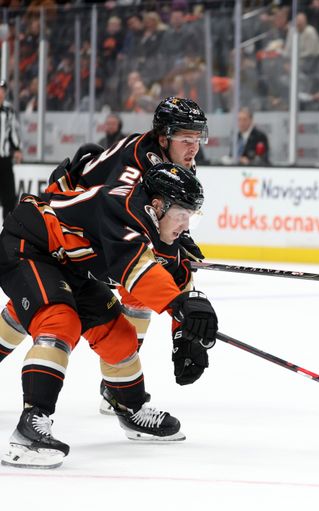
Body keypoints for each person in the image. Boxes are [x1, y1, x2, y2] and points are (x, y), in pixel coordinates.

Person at [0, 163, 219, 468]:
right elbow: (139, 273)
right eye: (183, 215)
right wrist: (179, 303)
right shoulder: (125, 209)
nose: (186, 225)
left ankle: (130, 408)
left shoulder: (155, 225)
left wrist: (187, 333)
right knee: (59, 320)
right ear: (158, 205)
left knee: (118, 333)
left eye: (191, 216)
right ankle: (30, 425)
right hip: (29, 243)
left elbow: (176, 279)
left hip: (67, 264)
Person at [0, 96, 209, 411]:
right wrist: (179, 302)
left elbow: (167, 213)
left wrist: (181, 239)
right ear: (164, 137)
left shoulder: (177, 163)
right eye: (186, 138)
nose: (194, 147)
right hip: (61, 221)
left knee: (41, 300)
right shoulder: (135, 168)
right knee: (60, 307)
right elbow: (119, 219)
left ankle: (120, 387)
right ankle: (113, 387)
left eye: (198, 138)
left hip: (84, 232)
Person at [0, 80, 22, 221]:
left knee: (9, 199)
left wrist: (17, 148)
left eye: (2, 90)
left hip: (4, 160)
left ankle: (7, 232)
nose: (0, 93)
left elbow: (13, 132)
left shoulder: (9, 112)